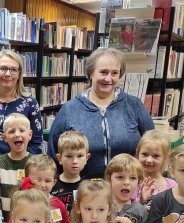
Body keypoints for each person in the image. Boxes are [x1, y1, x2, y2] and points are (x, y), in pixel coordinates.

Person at [48, 48, 155, 178]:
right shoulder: (70, 109)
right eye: (103, 72)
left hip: (127, 188)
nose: (108, 78)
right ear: (90, 72)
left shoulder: (134, 105)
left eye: (114, 73)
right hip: (84, 190)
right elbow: (53, 153)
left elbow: (152, 144)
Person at [0, 113, 33, 223]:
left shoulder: (35, 163)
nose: (17, 135)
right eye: (12, 131)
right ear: (4, 138)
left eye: (22, 130)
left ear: (30, 135)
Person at [22, 155, 70, 223]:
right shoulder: (21, 203)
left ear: (54, 182)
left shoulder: (59, 205)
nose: (43, 185)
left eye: (47, 181)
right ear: (26, 179)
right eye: (37, 180)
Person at [50, 130, 90, 216]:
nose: (75, 161)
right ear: (59, 158)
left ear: (87, 158)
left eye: (80, 156)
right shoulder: (51, 184)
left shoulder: (88, 187)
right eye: (69, 156)